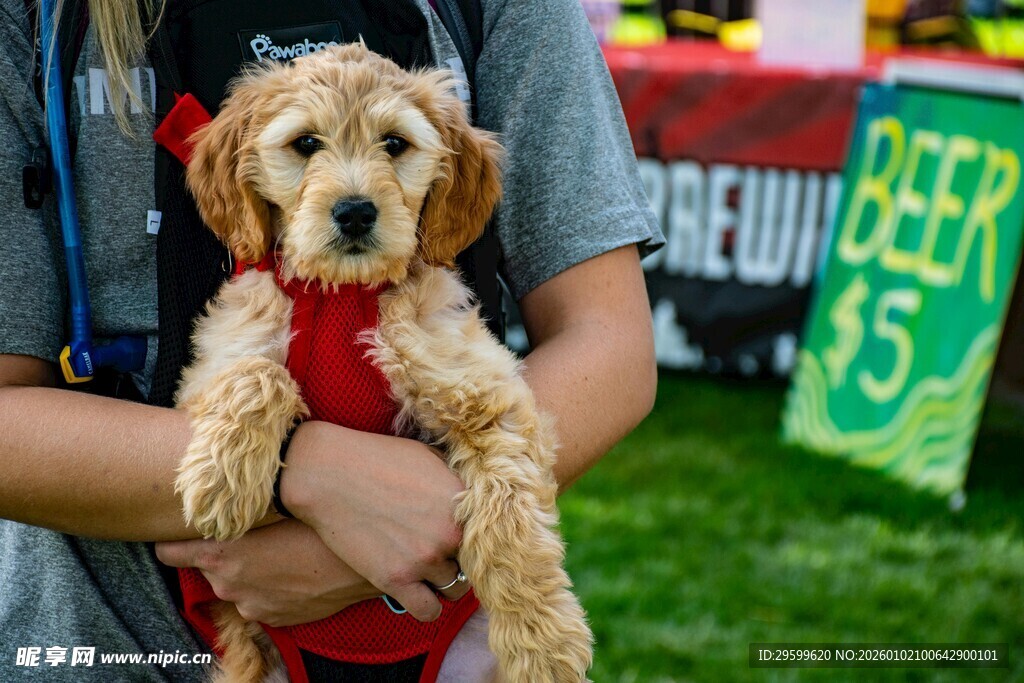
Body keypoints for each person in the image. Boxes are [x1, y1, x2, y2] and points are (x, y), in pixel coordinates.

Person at [0, 0, 662, 680]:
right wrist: (300, 473)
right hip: (111, 639)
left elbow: (605, 342)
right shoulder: (34, 19)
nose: (353, 193)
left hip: (454, 631)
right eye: (305, 146)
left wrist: (426, 535)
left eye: (395, 147)